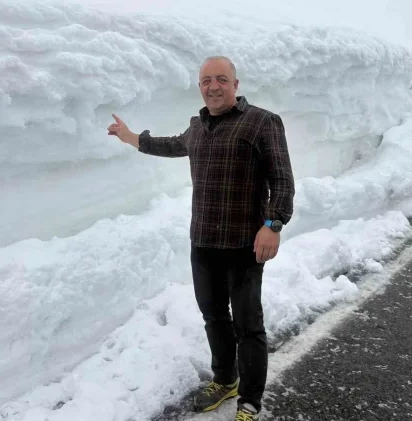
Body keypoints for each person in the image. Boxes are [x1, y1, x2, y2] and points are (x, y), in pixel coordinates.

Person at [107, 56, 295, 421]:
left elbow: (282, 179)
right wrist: (132, 138)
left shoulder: (262, 122)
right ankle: (225, 380)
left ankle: (250, 401)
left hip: (244, 245)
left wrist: (273, 224)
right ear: (200, 87)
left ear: (235, 85)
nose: (213, 86)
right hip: (204, 243)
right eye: (206, 80)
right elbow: (172, 145)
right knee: (213, 317)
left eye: (221, 79)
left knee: (248, 325)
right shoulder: (198, 127)